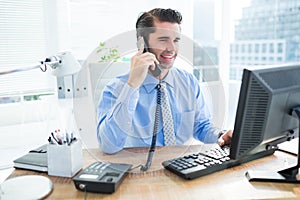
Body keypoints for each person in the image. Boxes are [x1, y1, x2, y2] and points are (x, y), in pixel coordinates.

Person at [97, 8, 232, 154]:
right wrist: (132, 86)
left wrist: (220, 135)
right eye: (163, 40)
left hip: (182, 167)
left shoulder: (188, 82)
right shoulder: (116, 88)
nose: (172, 48)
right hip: (140, 168)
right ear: (141, 42)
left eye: (176, 40)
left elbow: (201, 126)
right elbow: (108, 146)